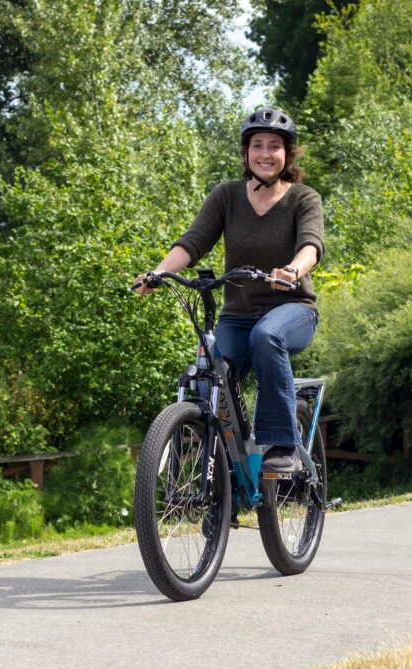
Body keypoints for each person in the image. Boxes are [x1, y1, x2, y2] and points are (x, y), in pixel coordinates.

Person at [134, 108, 324, 472]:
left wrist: (292, 270)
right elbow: (192, 243)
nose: (265, 154)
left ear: (287, 154)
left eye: (274, 146)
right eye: (257, 145)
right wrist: (157, 273)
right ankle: (217, 478)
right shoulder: (226, 196)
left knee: (268, 336)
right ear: (245, 152)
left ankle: (282, 441)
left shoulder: (303, 198)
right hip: (237, 316)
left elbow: (311, 246)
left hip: (292, 309)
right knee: (210, 370)